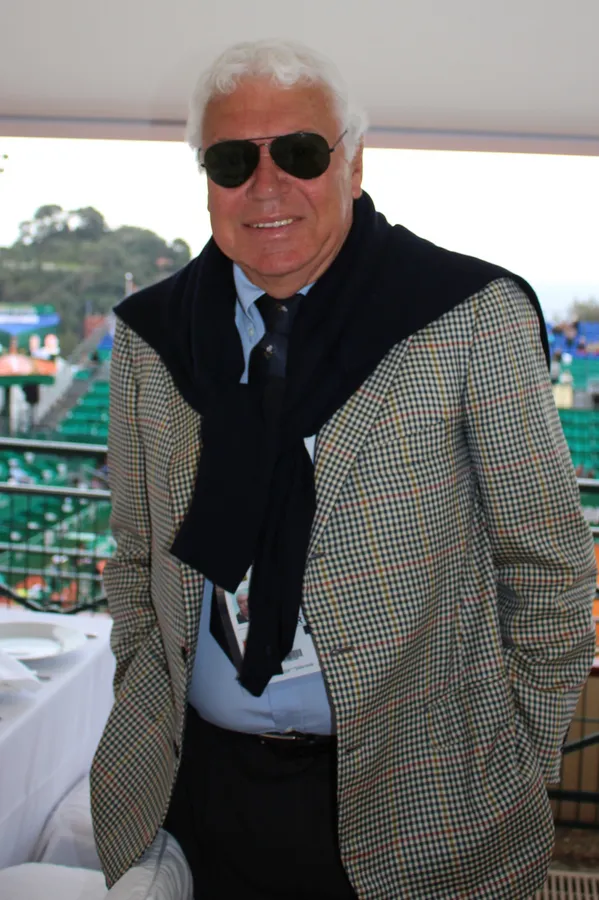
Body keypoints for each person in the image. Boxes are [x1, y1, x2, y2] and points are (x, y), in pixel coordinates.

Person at [90, 39, 597, 900]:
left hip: (427, 799)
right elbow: (137, 557)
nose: (266, 186)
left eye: (299, 152)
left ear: (354, 165)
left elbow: (548, 566)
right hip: (199, 790)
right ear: (205, 179)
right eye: (231, 160)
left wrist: (515, 754)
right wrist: (143, 693)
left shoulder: (468, 315)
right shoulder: (151, 336)